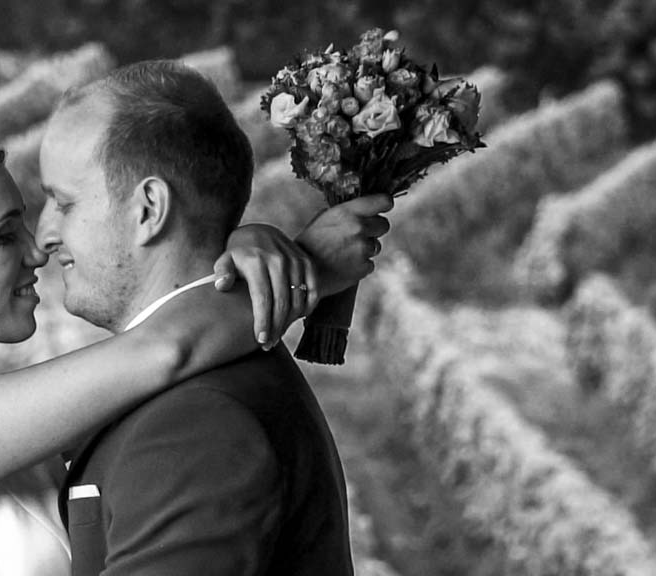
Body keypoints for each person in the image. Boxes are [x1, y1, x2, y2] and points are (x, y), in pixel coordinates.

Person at [0, 125, 387, 575]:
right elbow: (165, 350)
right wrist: (309, 267)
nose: (37, 253)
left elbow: (156, 369)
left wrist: (240, 250)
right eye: (5, 235)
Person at [38, 60, 393, 576]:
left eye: (63, 204)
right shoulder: (183, 389)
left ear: (148, 209)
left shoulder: (195, 424)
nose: (44, 237)